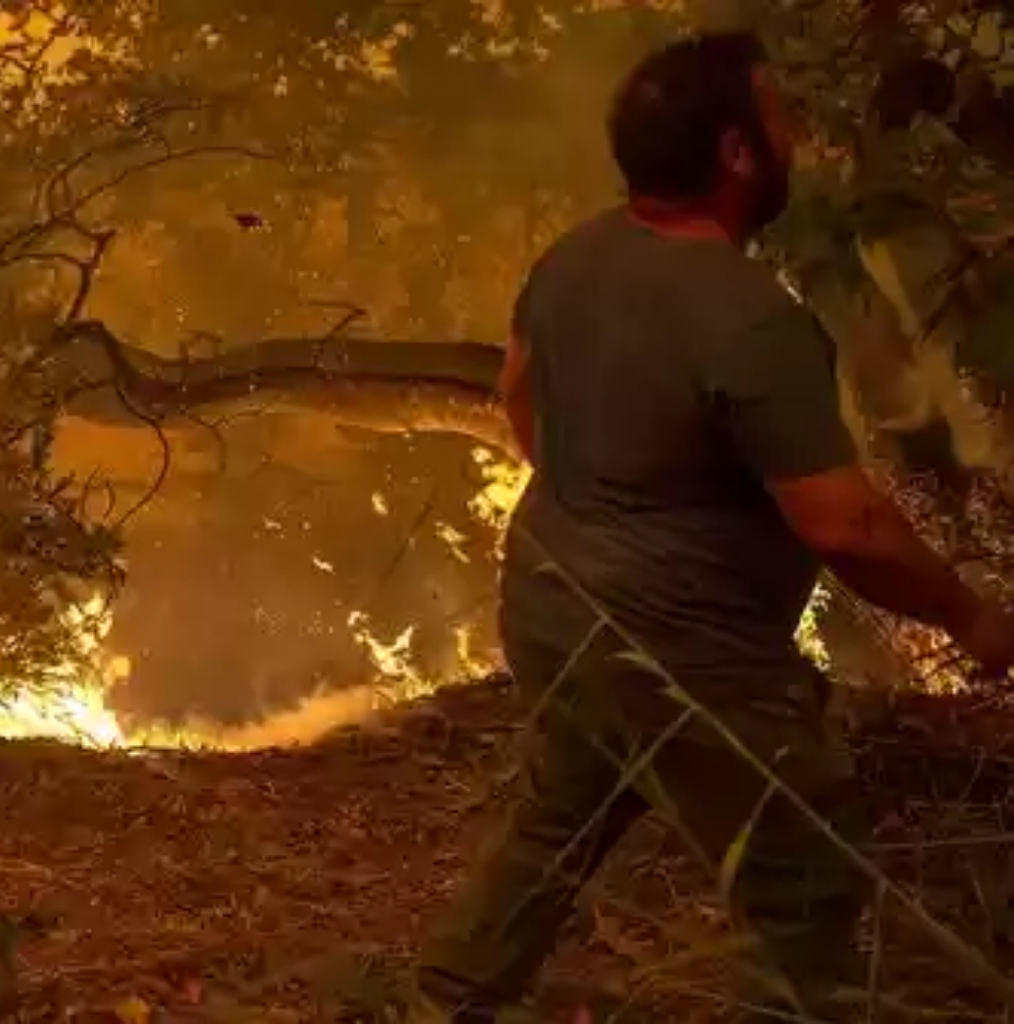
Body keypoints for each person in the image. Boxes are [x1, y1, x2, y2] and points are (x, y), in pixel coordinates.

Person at [414, 31, 1014, 1022]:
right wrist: (967, 616)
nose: (796, 133)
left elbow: (519, 401)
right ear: (735, 153)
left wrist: (614, 496)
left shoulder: (574, 258)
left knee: (558, 815)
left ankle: (439, 1002)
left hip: (553, 603)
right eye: (779, 117)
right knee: (803, 868)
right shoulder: (751, 320)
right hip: (681, 647)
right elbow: (846, 524)